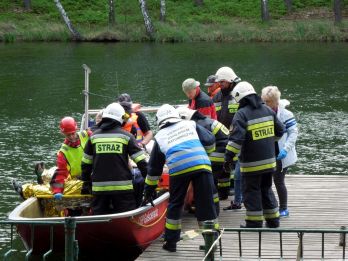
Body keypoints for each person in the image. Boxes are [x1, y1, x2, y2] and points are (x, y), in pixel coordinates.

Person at [143, 104, 218, 252]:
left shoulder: (160, 136)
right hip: (201, 165)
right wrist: (204, 155)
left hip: (178, 169)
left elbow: (154, 169)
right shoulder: (191, 124)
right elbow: (210, 141)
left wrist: (148, 190)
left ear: (160, 121)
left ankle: (170, 243)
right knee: (206, 204)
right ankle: (211, 242)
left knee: (176, 204)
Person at [224, 82, 285, 228]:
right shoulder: (267, 110)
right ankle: (273, 220)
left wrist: (228, 158)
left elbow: (235, 141)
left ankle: (254, 221)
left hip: (251, 164)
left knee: (251, 191)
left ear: (240, 98)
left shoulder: (241, 114)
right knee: (266, 188)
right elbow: (280, 131)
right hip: (270, 162)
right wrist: (268, 143)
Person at [81, 103, 148, 215]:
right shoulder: (126, 136)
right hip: (123, 190)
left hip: (99, 190)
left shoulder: (93, 137)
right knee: (127, 219)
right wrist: (150, 183)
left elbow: (86, 164)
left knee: (99, 220)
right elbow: (142, 163)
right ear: (120, 119)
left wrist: (86, 182)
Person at [176, 107, 230, 201]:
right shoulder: (205, 121)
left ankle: (211, 201)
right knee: (222, 174)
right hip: (227, 151)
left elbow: (201, 145)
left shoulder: (199, 125)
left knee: (209, 179)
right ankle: (224, 194)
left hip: (218, 153)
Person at [261, 86, 298, 218]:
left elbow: (293, 134)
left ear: (276, 102)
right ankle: (271, 205)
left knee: (278, 180)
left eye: (268, 102)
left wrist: (285, 149)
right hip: (268, 151)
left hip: (282, 152)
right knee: (265, 180)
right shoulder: (262, 112)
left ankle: (283, 208)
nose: (265, 104)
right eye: (263, 101)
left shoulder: (286, 115)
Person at [213, 66, 242, 210]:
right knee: (224, 165)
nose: (221, 85)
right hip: (223, 137)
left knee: (238, 167)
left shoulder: (239, 94)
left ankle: (239, 193)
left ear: (230, 81)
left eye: (223, 82)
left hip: (238, 137)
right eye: (220, 82)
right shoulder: (217, 96)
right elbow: (214, 116)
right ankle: (224, 193)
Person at [50, 117, 91, 200]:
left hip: (93, 174)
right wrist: (57, 191)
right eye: (68, 135)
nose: (72, 137)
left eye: (73, 133)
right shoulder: (63, 152)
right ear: (63, 133)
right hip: (79, 181)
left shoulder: (87, 134)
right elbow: (61, 172)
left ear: (76, 129)